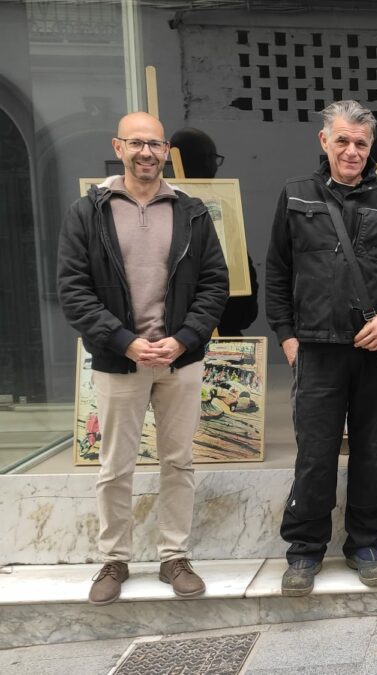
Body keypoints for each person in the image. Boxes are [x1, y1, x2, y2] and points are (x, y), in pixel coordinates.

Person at [57, 112, 229, 605]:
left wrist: (184, 338)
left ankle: (174, 556)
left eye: (155, 144)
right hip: (119, 360)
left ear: (167, 150)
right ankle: (115, 558)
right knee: (115, 465)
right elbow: (74, 290)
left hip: (180, 359)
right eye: (136, 143)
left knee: (178, 461)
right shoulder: (87, 213)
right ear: (119, 146)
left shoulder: (192, 212)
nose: (146, 153)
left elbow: (215, 284)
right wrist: (124, 340)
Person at [265, 100, 377, 595]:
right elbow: (276, 270)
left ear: (371, 146)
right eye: (343, 140)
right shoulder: (295, 196)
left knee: (369, 453)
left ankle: (365, 544)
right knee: (314, 455)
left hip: (373, 354)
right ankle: (304, 550)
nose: (352, 150)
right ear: (325, 141)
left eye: (361, 142)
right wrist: (287, 335)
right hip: (315, 350)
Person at [169, 127, 260, 336]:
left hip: (217, 326)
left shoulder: (218, 206)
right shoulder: (211, 208)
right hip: (205, 325)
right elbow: (239, 269)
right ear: (205, 160)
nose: (215, 166)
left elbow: (240, 268)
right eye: (214, 158)